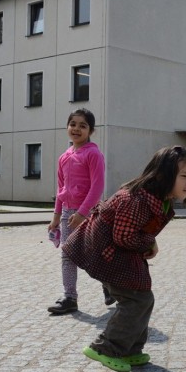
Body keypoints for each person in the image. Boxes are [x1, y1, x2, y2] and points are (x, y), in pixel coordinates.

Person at [63, 146, 186, 372]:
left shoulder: (159, 200)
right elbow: (123, 235)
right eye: (183, 176)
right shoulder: (136, 199)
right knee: (136, 300)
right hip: (107, 254)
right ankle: (106, 347)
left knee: (144, 298)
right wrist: (148, 242)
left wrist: (149, 242)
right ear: (163, 176)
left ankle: (131, 349)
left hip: (120, 254)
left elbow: (137, 232)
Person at [47, 109, 107, 315]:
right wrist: (56, 216)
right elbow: (60, 188)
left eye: (83, 125)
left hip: (88, 214)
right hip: (66, 214)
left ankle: (110, 287)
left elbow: (97, 187)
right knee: (67, 255)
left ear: (91, 130)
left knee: (93, 253)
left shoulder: (93, 154)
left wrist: (82, 213)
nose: (76, 128)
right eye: (73, 124)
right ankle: (69, 297)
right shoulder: (64, 157)